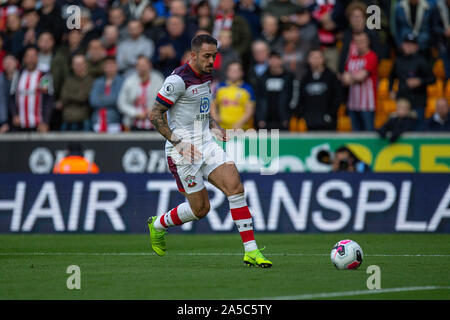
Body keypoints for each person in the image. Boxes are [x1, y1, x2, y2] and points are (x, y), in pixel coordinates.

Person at [147, 34, 272, 268]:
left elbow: (202, 108)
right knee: (201, 209)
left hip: (206, 143)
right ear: (192, 55)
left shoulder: (206, 75)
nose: (211, 60)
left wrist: (214, 126)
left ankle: (251, 251)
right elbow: (154, 115)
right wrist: (178, 142)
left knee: (235, 187)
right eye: (207, 56)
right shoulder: (177, 81)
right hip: (182, 151)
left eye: (214, 56)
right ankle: (158, 225)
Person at [389, 33, 435, 129]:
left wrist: (420, 81)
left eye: (412, 44)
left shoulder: (421, 61)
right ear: (402, 45)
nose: (409, 46)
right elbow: (391, 77)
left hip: (418, 102)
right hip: (402, 101)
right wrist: (391, 90)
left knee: (417, 130)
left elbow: (432, 79)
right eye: (407, 43)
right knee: (400, 129)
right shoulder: (398, 61)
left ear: (416, 47)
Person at [9, 46, 54, 132]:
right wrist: (14, 115)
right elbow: (12, 97)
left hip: (38, 125)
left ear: (37, 58)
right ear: (24, 59)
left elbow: (49, 99)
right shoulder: (18, 75)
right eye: (28, 57)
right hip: (19, 124)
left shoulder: (44, 76)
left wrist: (45, 121)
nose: (30, 60)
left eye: (33, 57)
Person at [341, 32, 378, 131]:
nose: (359, 44)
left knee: (368, 133)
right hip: (353, 103)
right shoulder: (352, 58)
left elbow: (361, 77)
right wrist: (353, 77)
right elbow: (345, 78)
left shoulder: (371, 56)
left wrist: (351, 77)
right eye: (356, 42)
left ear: (367, 42)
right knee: (355, 135)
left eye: (362, 41)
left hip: (367, 105)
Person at [118, 55, 164, 131]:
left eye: (144, 65)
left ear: (150, 65)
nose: (142, 68)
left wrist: (153, 110)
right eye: (139, 65)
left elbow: (164, 99)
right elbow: (121, 103)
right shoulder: (129, 81)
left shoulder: (158, 79)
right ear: (136, 67)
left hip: (154, 124)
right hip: (133, 123)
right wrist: (135, 113)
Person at [298, 49, 341, 131]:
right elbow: (301, 98)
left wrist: (330, 114)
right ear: (308, 60)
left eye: (318, 57)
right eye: (313, 57)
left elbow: (338, 97)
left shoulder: (331, 77)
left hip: (328, 121)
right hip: (310, 121)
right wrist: (303, 114)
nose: (316, 60)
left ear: (323, 59)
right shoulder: (305, 78)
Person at [211, 61, 256, 130]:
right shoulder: (219, 87)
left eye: (236, 70)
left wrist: (239, 123)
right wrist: (215, 118)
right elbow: (212, 105)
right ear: (227, 72)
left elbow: (249, 110)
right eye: (231, 70)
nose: (234, 72)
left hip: (241, 129)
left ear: (242, 73)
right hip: (222, 128)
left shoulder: (247, 89)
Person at [256, 50, 294, 130]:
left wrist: (287, 116)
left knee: (283, 142)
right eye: (271, 59)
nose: (274, 62)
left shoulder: (289, 77)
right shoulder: (262, 78)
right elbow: (259, 98)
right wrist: (260, 118)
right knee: (267, 143)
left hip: (283, 119)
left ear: (281, 60)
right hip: (266, 119)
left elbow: (293, 97)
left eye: (276, 59)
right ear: (268, 61)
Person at [89, 56, 124, 133]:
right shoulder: (97, 82)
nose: (109, 68)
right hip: (97, 121)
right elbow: (93, 101)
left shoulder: (122, 81)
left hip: (115, 121)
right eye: (107, 66)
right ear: (103, 68)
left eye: (111, 66)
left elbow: (118, 100)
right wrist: (110, 98)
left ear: (116, 67)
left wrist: (101, 98)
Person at [60, 54, 94, 131]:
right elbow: (63, 97)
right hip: (67, 119)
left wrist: (70, 96)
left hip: (84, 120)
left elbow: (83, 98)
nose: (78, 66)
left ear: (85, 65)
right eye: (76, 64)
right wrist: (77, 95)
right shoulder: (68, 80)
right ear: (72, 66)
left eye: (80, 64)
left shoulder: (90, 80)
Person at [0, 54, 19, 134]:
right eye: (6, 63)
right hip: (4, 116)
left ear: (16, 63)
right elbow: (2, 101)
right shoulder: (1, 79)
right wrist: (4, 122)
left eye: (10, 62)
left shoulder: (23, 76)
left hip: (20, 117)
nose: (8, 65)